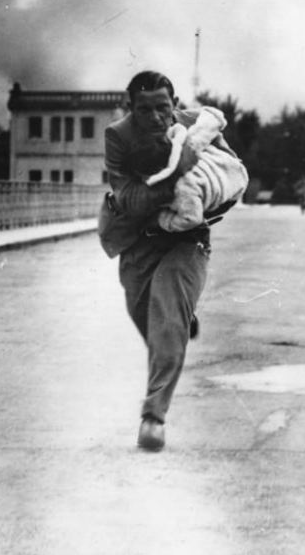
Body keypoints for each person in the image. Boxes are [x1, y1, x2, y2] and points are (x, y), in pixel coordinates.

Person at [98, 70, 240, 452]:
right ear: (131, 110)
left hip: (187, 239)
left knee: (165, 321)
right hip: (138, 240)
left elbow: (230, 170)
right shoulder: (118, 137)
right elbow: (128, 200)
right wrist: (176, 173)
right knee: (147, 317)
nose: (157, 118)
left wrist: (205, 186)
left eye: (164, 108)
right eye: (145, 110)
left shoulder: (196, 123)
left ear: (175, 104)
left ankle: (153, 417)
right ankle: (180, 318)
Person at [142, 106, 249, 232]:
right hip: (217, 170)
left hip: (229, 179)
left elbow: (214, 116)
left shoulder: (179, 192)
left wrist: (162, 220)